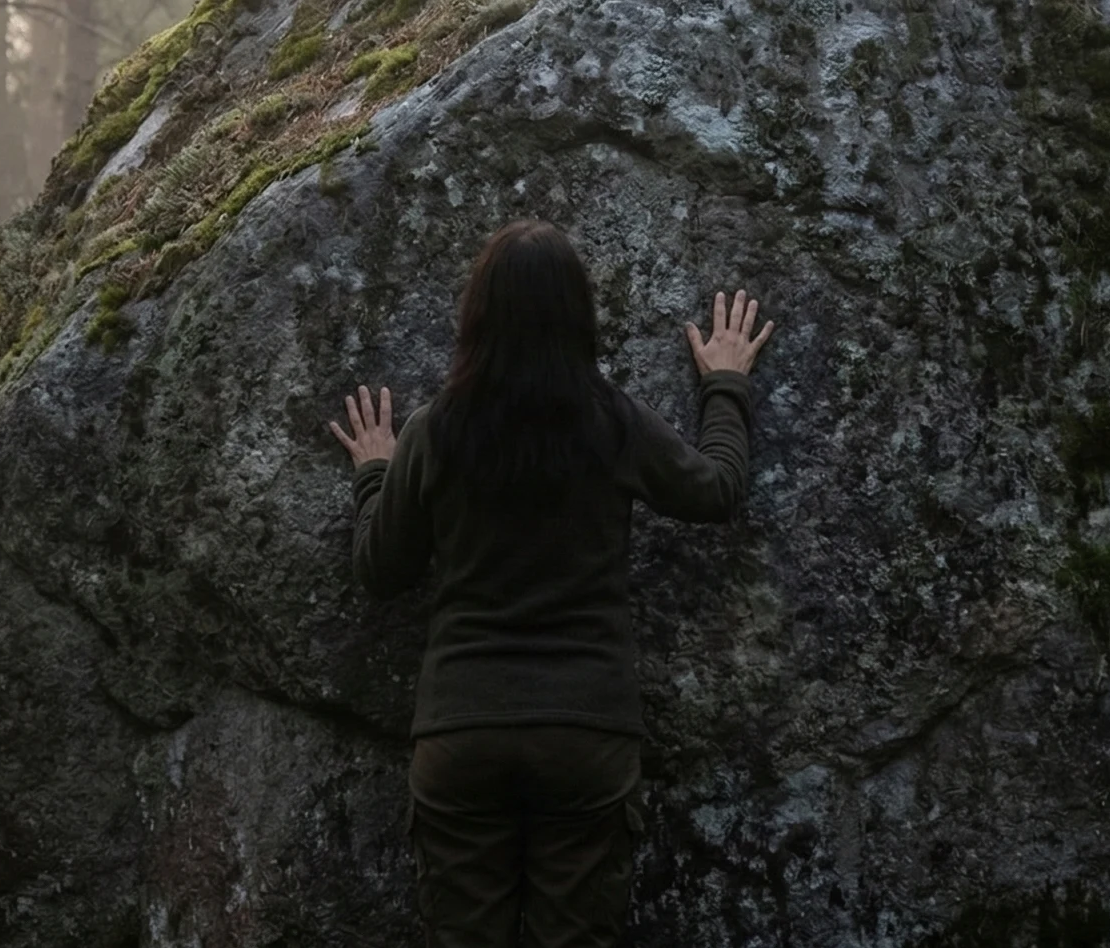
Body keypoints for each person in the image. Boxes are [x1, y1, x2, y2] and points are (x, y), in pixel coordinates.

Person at [329, 216, 776, 948]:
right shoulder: (610, 422)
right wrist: (724, 385)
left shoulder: (436, 429)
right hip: (585, 734)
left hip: (462, 732)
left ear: (474, 315)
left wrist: (376, 474)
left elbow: (382, 571)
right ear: (580, 317)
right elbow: (716, 489)